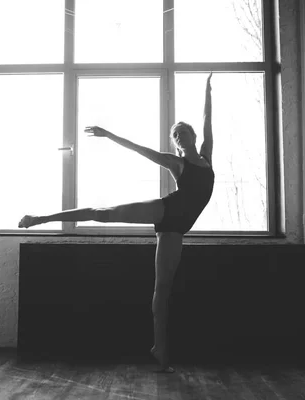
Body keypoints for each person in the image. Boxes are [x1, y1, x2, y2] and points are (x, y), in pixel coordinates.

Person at [19, 72, 215, 373]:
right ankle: (40, 218)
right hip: (167, 212)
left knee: (163, 288)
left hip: (178, 228)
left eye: (184, 133)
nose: (180, 137)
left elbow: (207, 120)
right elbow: (140, 149)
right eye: (176, 136)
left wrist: (207, 89)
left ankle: (158, 348)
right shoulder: (177, 163)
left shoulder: (206, 156)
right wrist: (108, 135)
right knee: (103, 212)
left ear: (193, 137)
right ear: (176, 145)